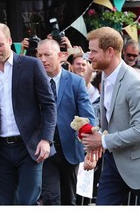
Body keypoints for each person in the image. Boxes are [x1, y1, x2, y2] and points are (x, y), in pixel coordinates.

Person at [81, 26, 140, 205]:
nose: (89, 56)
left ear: (110, 52)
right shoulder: (105, 78)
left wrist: (103, 141)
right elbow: (113, 122)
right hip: (115, 163)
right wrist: (95, 136)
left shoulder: (135, 83)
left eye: (93, 51)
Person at [0, 23, 56, 205]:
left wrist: (46, 139)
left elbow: (48, 105)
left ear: (10, 41)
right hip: (0, 149)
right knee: (6, 204)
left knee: (27, 203)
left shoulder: (31, 65)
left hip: (30, 147)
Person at [36, 39, 96, 205]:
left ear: (61, 56)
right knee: (51, 198)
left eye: (47, 55)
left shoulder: (76, 82)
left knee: (68, 200)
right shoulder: (34, 82)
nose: (42, 59)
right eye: (39, 55)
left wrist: (91, 146)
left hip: (69, 149)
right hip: (44, 150)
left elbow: (88, 116)